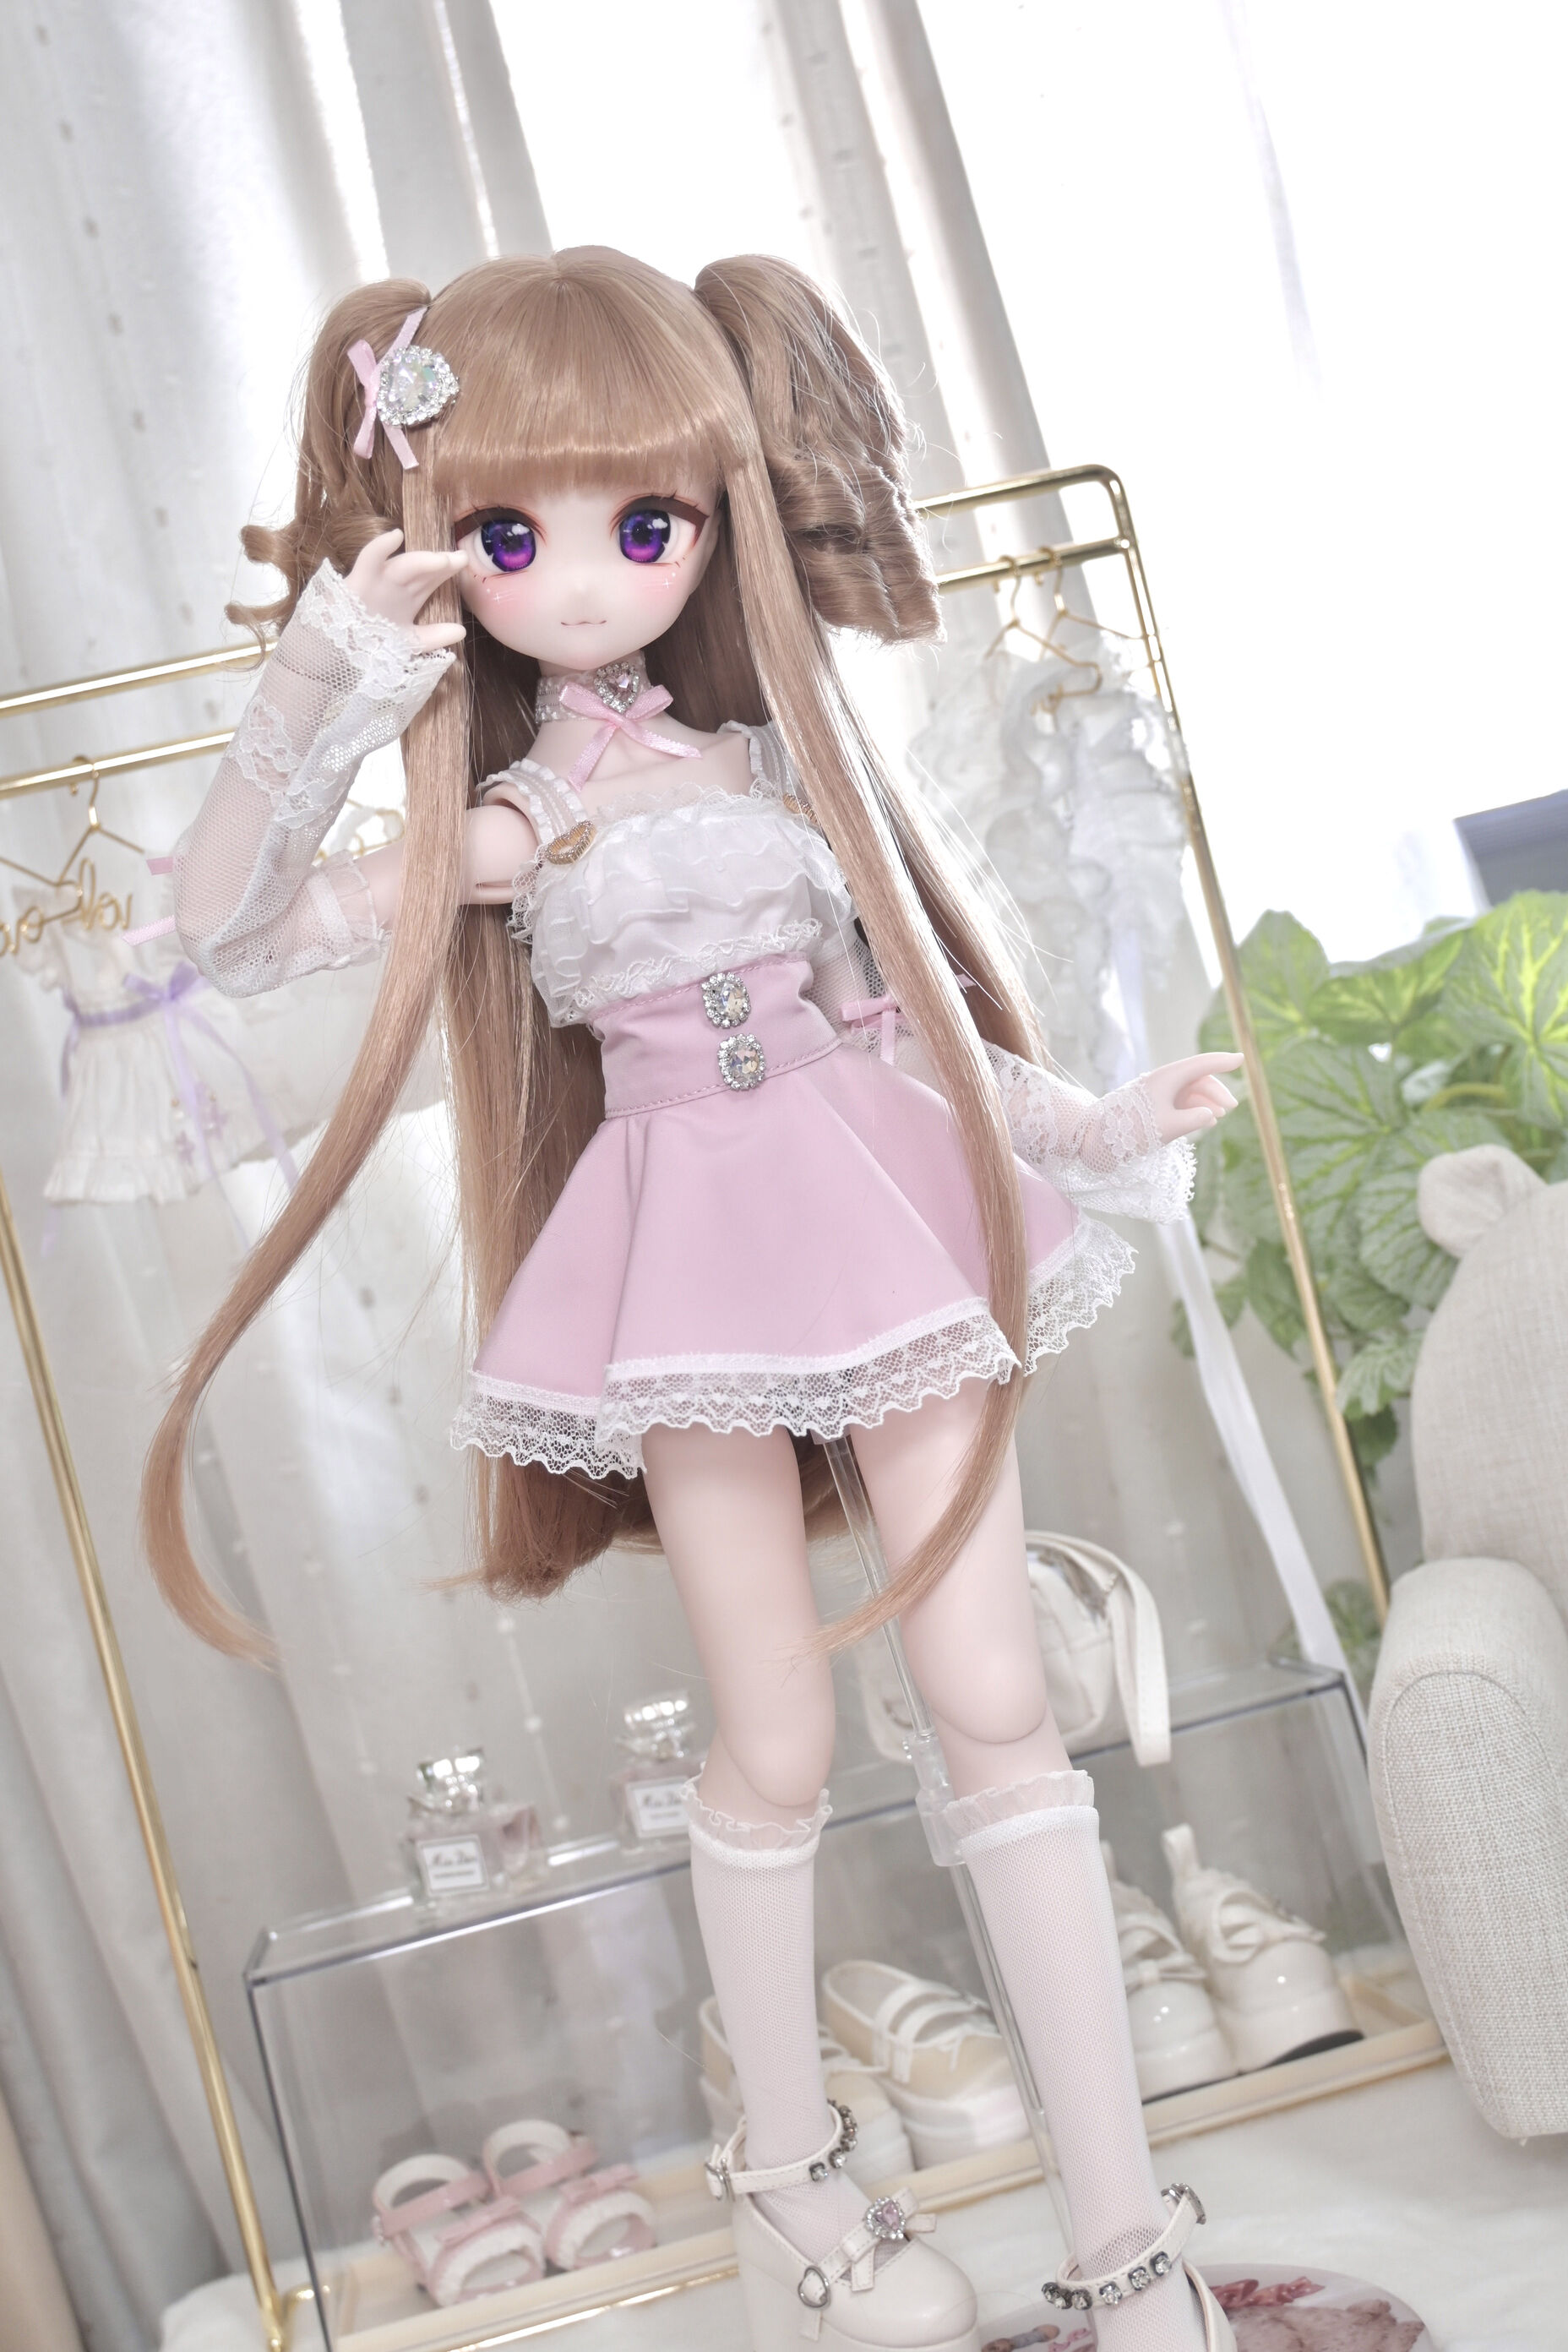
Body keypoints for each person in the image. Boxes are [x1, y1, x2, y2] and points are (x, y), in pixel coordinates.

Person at [143, 248, 1243, 2350]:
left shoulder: (772, 774)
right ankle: (791, 2181)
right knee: (778, 1727)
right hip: (678, 1258)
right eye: (512, 534)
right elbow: (231, 935)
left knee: (995, 1690)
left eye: (643, 522)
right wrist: (322, 682)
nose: (581, 580)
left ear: (710, 519)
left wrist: (1103, 1122)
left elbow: (915, 1031)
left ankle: (1124, 2235)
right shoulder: (516, 822)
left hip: (884, 1197)